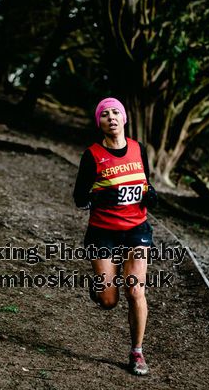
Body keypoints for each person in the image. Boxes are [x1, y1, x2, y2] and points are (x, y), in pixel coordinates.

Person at [73, 97, 158, 376]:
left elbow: (145, 184)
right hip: (103, 232)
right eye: (105, 114)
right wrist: (98, 196)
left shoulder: (138, 149)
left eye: (116, 112)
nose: (111, 117)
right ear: (99, 122)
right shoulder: (92, 155)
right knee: (109, 301)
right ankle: (100, 285)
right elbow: (79, 198)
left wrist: (152, 195)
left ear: (124, 119)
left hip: (136, 229)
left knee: (135, 290)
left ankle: (137, 352)